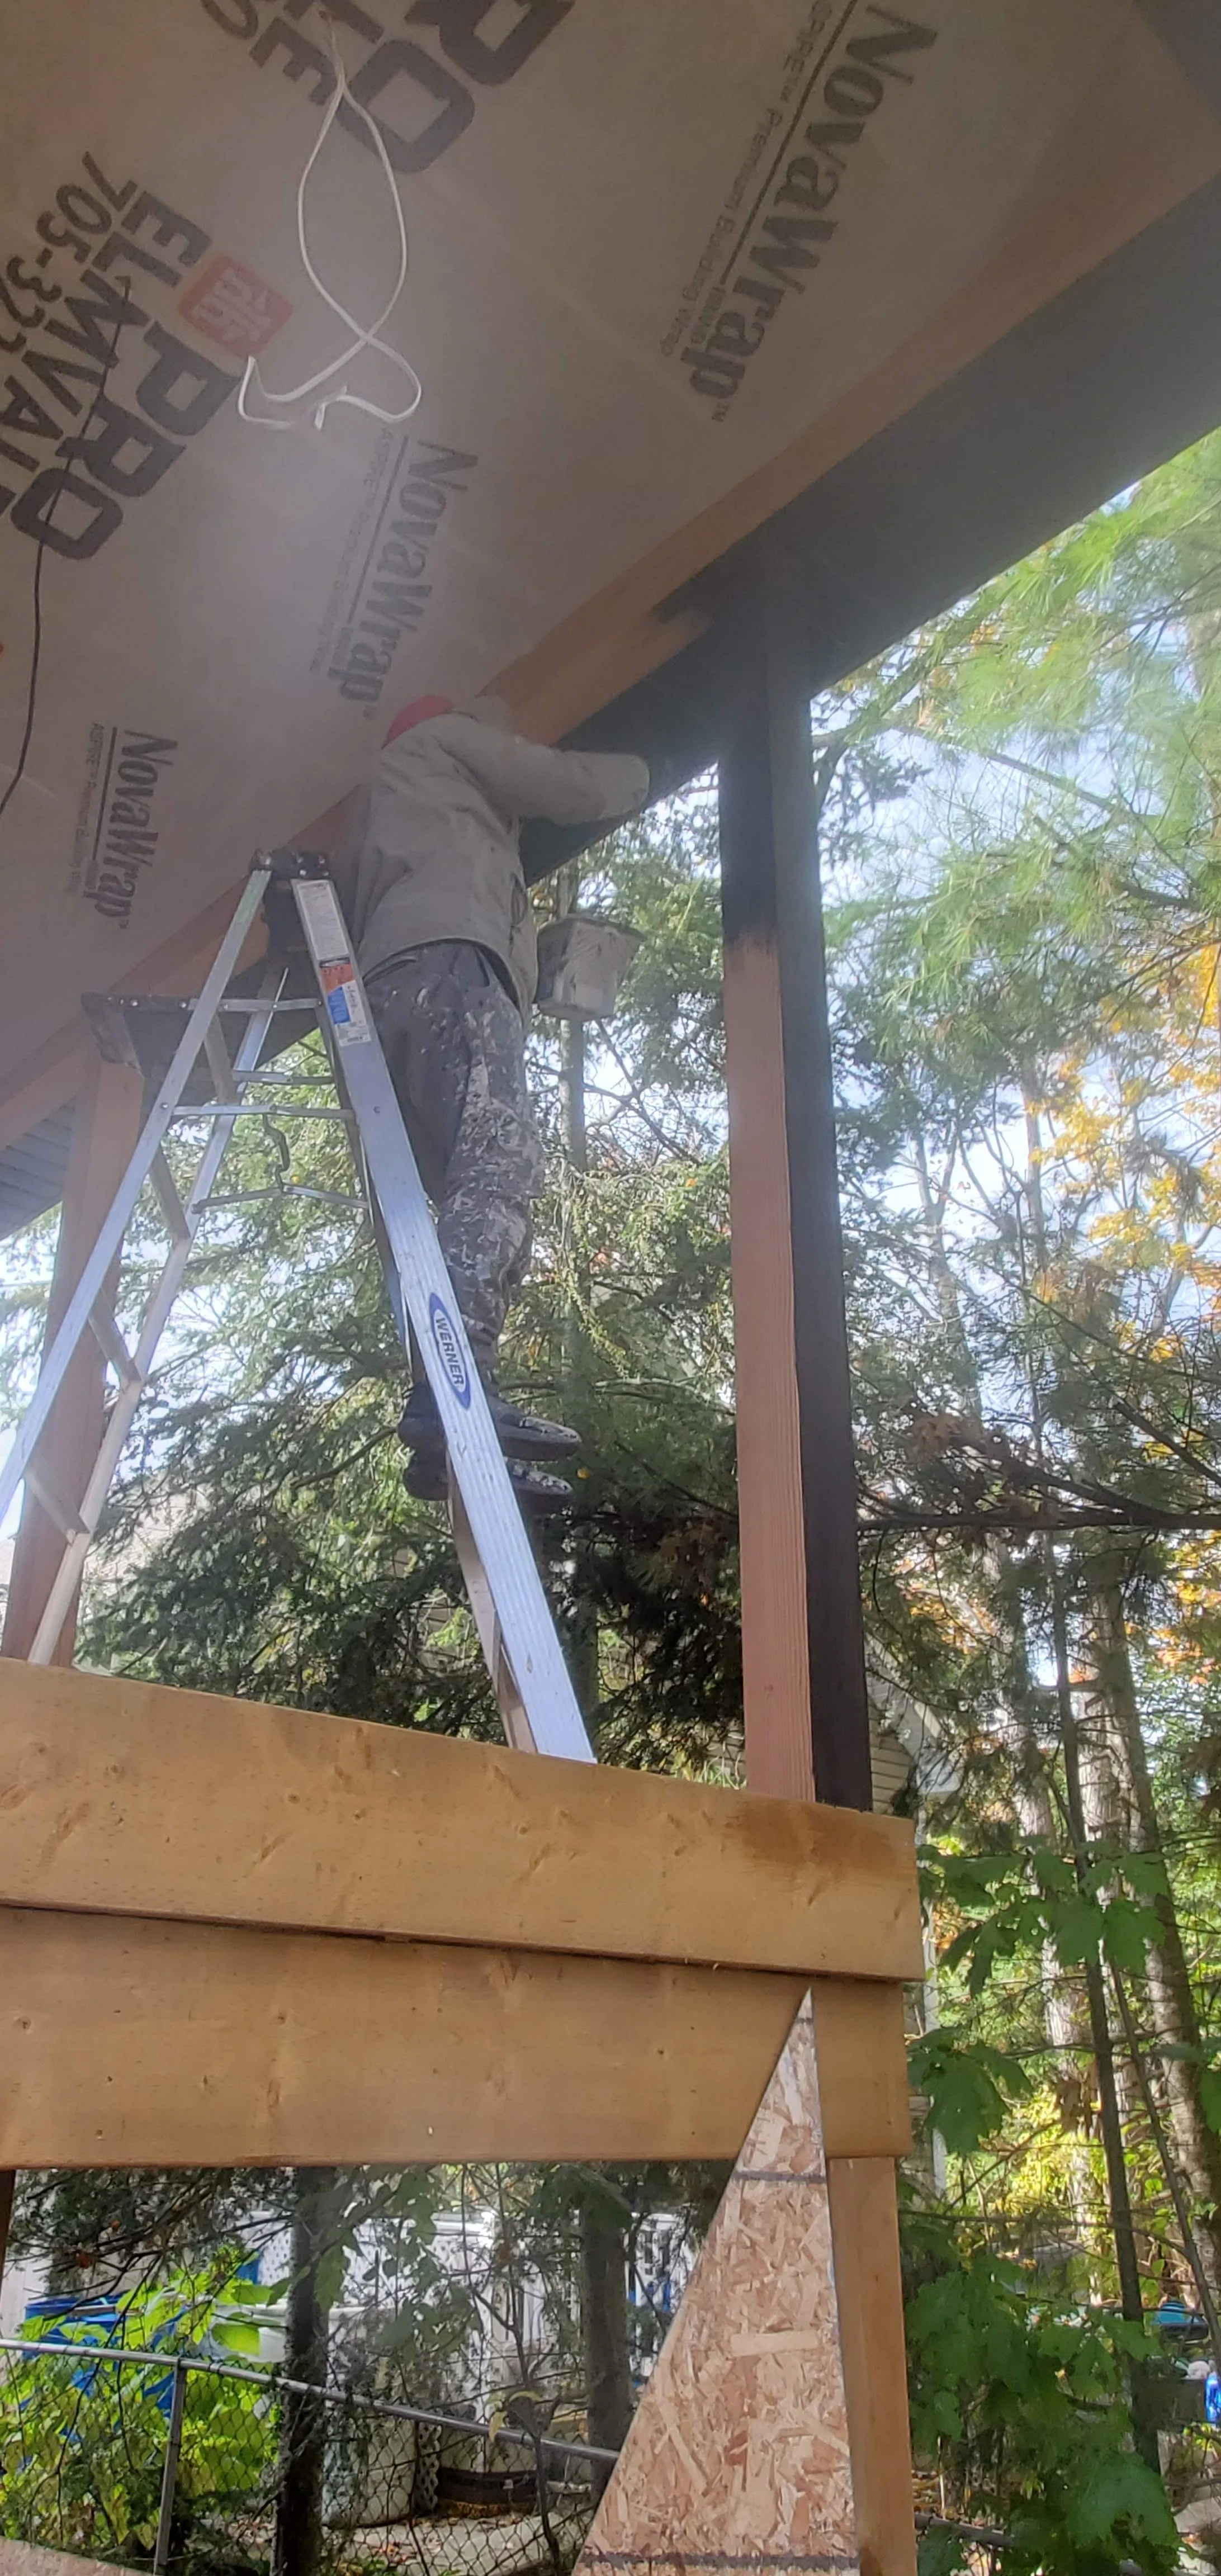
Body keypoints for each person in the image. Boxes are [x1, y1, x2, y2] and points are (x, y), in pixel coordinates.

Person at [330, 692, 650, 1508]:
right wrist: (651, 770)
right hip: (449, 971)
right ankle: (455, 1383)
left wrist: (529, 958)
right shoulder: (442, 743)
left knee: (464, 1203)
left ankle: (447, 1429)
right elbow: (563, 784)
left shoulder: (404, 824)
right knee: (503, 1169)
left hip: (391, 1002)